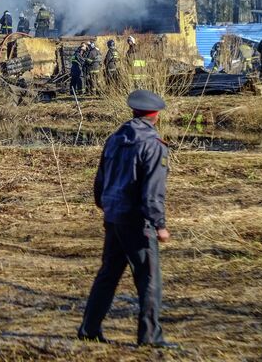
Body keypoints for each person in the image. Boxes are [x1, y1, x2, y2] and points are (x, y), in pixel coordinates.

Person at [78, 90, 178, 350]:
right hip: (137, 222)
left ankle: (89, 328)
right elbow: (152, 192)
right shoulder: (154, 145)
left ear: (133, 111)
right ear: (156, 115)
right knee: (148, 280)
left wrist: (105, 205)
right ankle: (150, 337)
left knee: (108, 275)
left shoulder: (114, 139)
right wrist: (160, 225)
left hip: (113, 217)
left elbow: (100, 180)